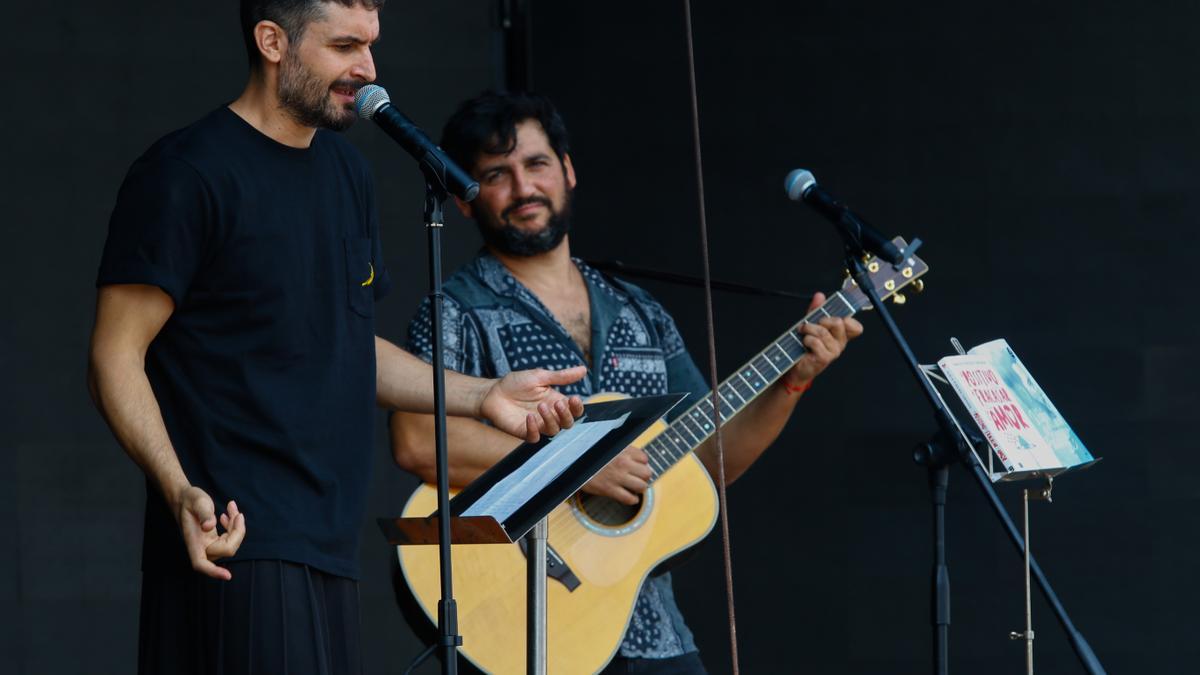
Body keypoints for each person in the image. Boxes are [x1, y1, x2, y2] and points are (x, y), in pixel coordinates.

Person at [87, 5, 583, 674]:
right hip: (236, 532)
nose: (368, 69)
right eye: (345, 45)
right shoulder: (186, 172)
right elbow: (116, 353)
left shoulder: (347, 175)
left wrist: (482, 394)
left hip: (330, 538)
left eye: (372, 45)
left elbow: (345, 342)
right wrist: (178, 487)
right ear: (272, 42)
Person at [389, 91, 864, 674]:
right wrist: (579, 464)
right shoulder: (455, 310)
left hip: (655, 632)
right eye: (496, 174)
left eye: (536, 164)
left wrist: (792, 383)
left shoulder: (640, 312)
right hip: (533, 627)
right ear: (466, 200)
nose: (522, 188)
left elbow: (710, 462)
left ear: (567, 170)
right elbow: (417, 441)